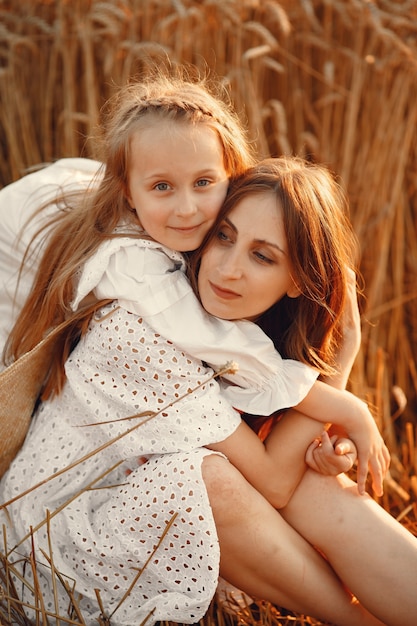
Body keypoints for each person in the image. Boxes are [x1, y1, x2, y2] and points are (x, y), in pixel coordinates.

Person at [0, 70, 407, 625]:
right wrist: (340, 377)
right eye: (226, 238)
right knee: (209, 478)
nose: (228, 267)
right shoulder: (142, 323)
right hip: (61, 528)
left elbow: (282, 468)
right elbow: (270, 480)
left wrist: (319, 424)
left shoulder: (216, 308)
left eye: (263, 256)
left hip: (146, 489)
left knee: (315, 485)